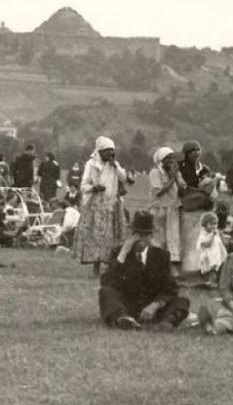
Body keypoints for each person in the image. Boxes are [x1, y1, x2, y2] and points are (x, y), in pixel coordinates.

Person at [98, 211, 191, 331]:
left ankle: (166, 322)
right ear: (130, 235)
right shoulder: (119, 253)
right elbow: (106, 281)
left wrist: (155, 305)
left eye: (144, 235)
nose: (140, 240)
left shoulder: (161, 256)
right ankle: (123, 319)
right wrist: (123, 253)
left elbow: (171, 289)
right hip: (127, 304)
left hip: (153, 305)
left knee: (182, 300)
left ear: (151, 236)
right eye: (136, 235)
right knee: (106, 292)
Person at [76, 136, 129, 277]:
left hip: (113, 204)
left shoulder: (114, 165)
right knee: (97, 236)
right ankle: (96, 268)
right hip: (96, 204)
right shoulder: (91, 164)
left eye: (112, 151)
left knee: (112, 235)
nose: (110, 154)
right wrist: (94, 188)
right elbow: (83, 185)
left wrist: (115, 165)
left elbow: (124, 178)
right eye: (107, 151)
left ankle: (110, 268)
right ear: (99, 151)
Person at [198, 211, 227, 286]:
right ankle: (211, 282)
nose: (214, 226)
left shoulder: (216, 232)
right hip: (209, 255)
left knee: (220, 267)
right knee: (212, 269)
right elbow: (206, 244)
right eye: (211, 224)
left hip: (217, 253)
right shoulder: (203, 234)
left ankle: (219, 282)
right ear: (205, 225)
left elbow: (220, 243)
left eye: (215, 224)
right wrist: (212, 235)